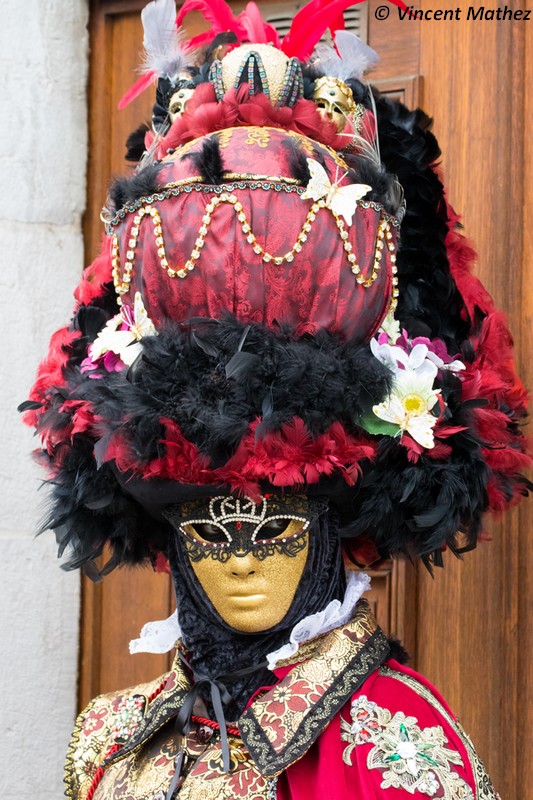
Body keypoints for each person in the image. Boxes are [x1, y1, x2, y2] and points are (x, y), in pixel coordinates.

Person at [21, 1, 529, 798]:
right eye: (210, 528)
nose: (244, 559)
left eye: (273, 524)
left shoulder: (392, 746)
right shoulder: (113, 740)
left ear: (324, 529)